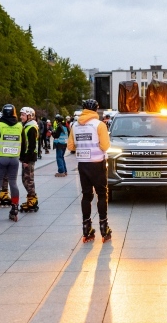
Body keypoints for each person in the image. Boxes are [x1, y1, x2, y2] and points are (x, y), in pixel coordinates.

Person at [68, 99, 112, 243]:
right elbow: (105, 146)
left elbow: (71, 147)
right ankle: (104, 227)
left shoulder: (75, 125)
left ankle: (87, 228)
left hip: (83, 165)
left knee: (86, 195)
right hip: (98, 163)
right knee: (101, 194)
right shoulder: (99, 125)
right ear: (95, 110)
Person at [0, 104, 23, 222]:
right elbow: (24, 144)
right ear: (14, 113)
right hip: (14, 159)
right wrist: (22, 157)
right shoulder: (19, 126)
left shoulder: (0, 125)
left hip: (0, 158)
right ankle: (15, 208)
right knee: (13, 183)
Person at [19, 107, 40, 212]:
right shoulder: (27, 126)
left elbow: (31, 146)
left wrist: (26, 160)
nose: (21, 117)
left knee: (28, 179)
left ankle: (32, 200)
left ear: (29, 116)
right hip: (26, 157)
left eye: (23, 115)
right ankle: (31, 198)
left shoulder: (31, 127)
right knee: (25, 179)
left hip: (29, 158)